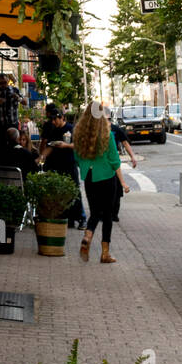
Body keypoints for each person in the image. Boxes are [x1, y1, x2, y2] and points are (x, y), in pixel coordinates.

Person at [73, 103, 122, 263]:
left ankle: (87, 236)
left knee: (94, 213)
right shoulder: (107, 135)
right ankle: (105, 253)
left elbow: (77, 157)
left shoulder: (79, 134)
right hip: (107, 177)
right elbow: (115, 161)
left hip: (89, 177)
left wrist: (85, 167)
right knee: (107, 215)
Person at [40, 104, 85, 227]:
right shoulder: (53, 130)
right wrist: (41, 158)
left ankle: (81, 218)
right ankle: (67, 218)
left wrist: (66, 146)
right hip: (56, 165)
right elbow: (49, 146)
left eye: (56, 119)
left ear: (62, 118)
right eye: (52, 119)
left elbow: (79, 145)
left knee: (74, 191)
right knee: (61, 193)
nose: (54, 122)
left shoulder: (71, 128)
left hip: (69, 164)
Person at [110, 122, 136, 222]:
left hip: (114, 161)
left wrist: (132, 156)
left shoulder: (115, 129)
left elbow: (125, 143)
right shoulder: (96, 128)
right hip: (102, 163)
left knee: (117, 188)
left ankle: (114, 214)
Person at [0, 74, 20, 149]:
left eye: (5, 82)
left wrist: (18, 98)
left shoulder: (15, 90)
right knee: (2, 146)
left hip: (13, 123)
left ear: (8, 81)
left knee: (14, 146)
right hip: (1, 124)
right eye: (1, 83)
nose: (3, 85)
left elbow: (25, 102)